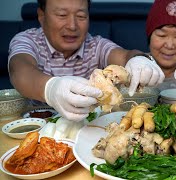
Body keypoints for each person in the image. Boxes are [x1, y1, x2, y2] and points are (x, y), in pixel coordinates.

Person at [8, 0, 165, 121]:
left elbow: (124, 55)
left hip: (87, 130)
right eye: (62, 15)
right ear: (42, 16)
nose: (72, 25)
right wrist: (51, 88)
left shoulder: (96, 45)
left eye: (81, 16)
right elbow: (20, 71)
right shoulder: (28, 40)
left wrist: (139, 59)